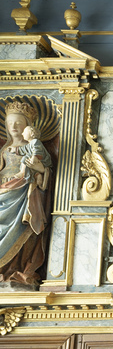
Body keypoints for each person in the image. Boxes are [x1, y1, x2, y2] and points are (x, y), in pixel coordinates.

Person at [0, 102, 53, 286]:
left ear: (27, 128)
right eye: (10, 123)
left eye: (18, 123)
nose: (13, 127)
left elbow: (46, 173)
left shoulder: (35, 148)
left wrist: (41, 170)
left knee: (26, 225)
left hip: (26, 193)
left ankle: (17, 270)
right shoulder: (5, 150)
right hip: (4, 192)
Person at [17, 125, 51, 190]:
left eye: (24, 131)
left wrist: (34, 157)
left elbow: (37, 149)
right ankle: (37, 175)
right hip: (38, 163)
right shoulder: (29, 144)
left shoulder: (35, 141)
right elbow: (23, 149)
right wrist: (15, 150)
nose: (22, 133)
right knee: (28, 161)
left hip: (44, 161)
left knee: (26, 157)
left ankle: (22, 172)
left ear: (31, 134)